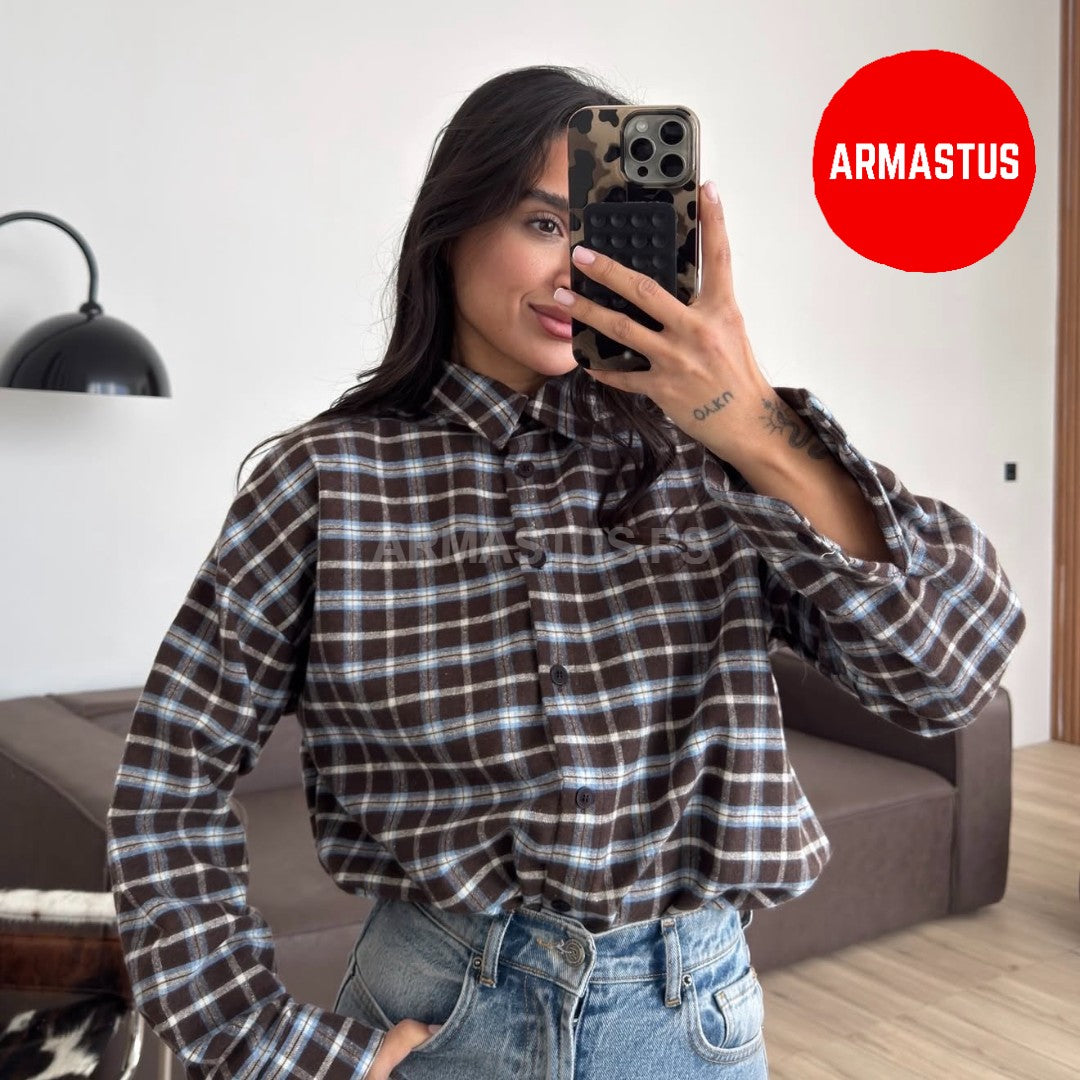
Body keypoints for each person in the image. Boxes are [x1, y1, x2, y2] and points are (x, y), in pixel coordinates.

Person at [105, 64, 1026, 1080]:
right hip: (434, 1018)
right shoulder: (327, 480)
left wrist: (753, 421)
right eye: (544, 225)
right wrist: (266, 1043)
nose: (577, 272)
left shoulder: (710, 465)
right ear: (450, 228)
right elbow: (168, 780)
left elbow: (948, 677)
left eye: (609, 239)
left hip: (688, 1027)